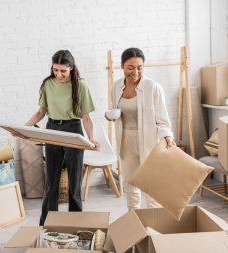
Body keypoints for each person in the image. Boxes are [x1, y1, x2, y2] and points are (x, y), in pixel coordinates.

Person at [25, 50, 100, 225]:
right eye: (55, 70)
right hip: (52, 129)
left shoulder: (81, 86)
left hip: (73, 129)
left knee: (74, 183)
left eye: (63, 71)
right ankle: (48, 224)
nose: (59, 75)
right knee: (51, 182)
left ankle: (75, 224)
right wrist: (24, 128)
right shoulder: (48, 84)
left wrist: (92, 139)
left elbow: (86, 118)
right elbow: (40, 112)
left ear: (71, 68)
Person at [106, 47, 175, 210]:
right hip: (126, 140)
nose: (135, 72)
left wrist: (167, 137)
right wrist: (110, 115)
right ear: (122, 66)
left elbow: (163, 120)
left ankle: (155, 226)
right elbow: (115, 110)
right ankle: (134, 224)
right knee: (130, 184)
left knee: (151, 187)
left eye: (139, 67)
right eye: (130, 67)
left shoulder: (153, 87)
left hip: (149, 140)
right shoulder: (116, 87)